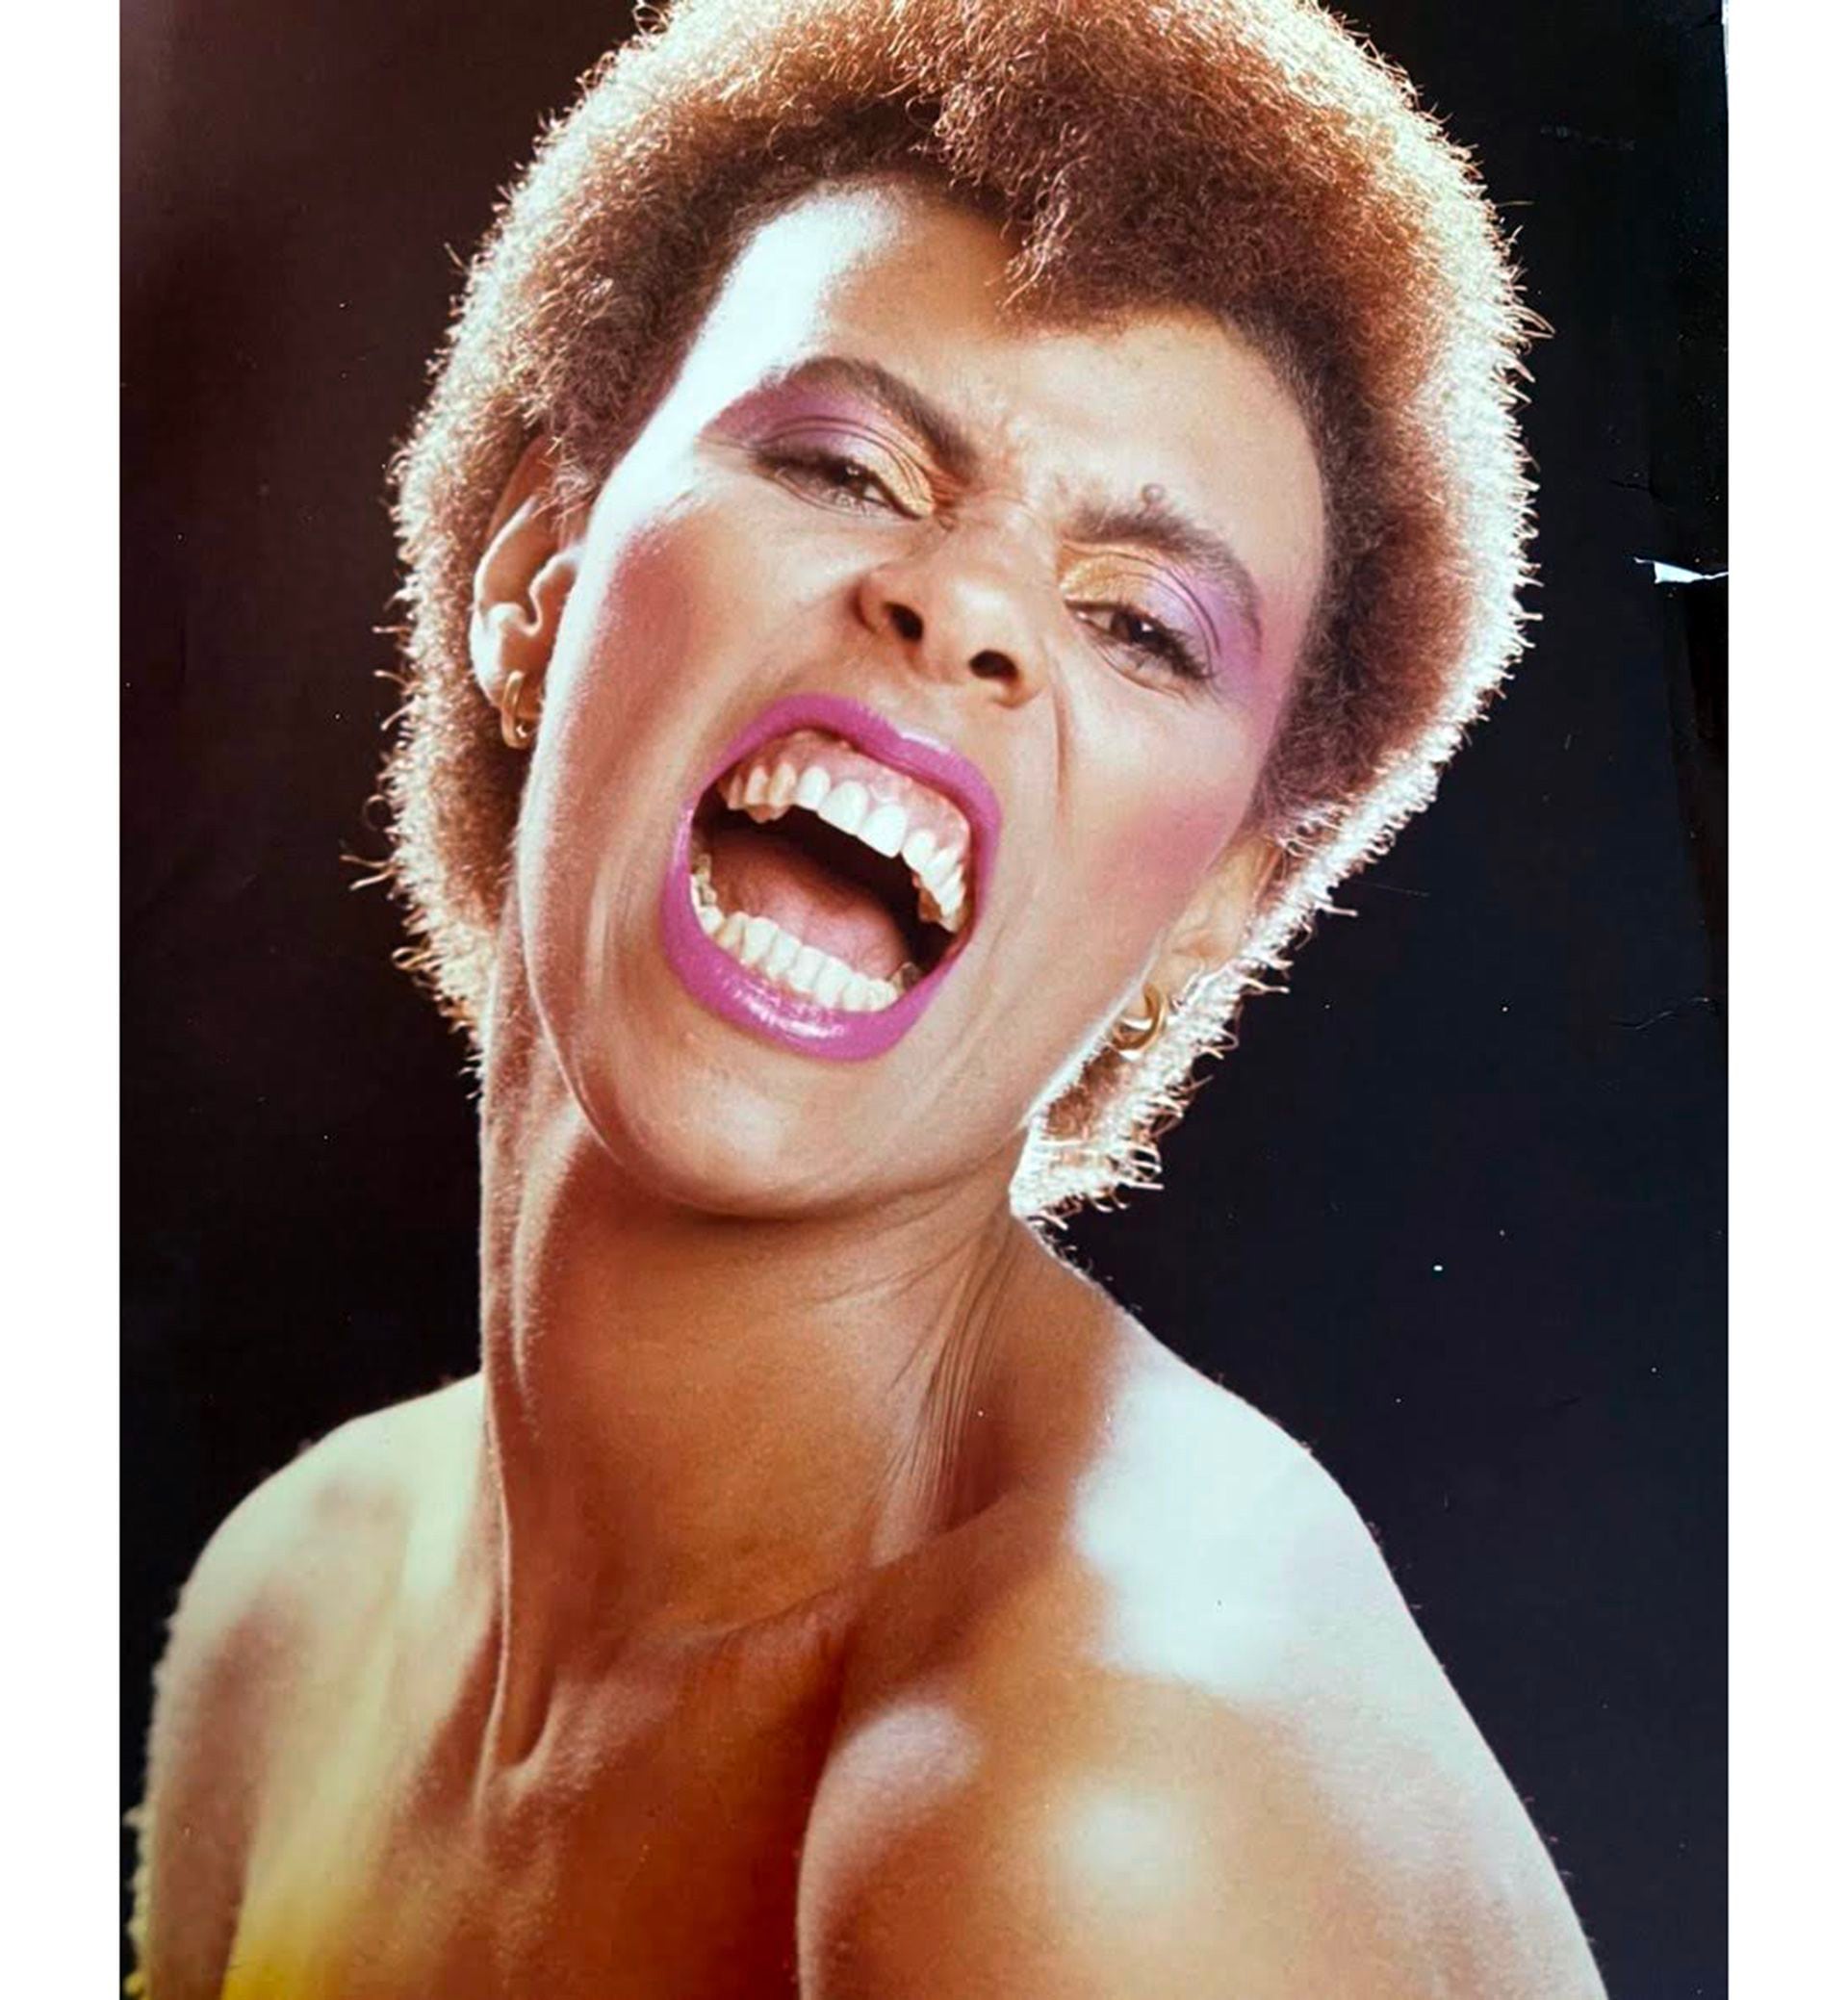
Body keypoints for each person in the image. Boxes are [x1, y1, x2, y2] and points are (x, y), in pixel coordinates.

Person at [133, 0, 1607, 1992]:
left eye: (1138, 623)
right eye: (846, 465)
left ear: (1222, 900)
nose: (965, 606)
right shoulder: (289, 1614)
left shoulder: (1085, 1798)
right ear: (535, 575)